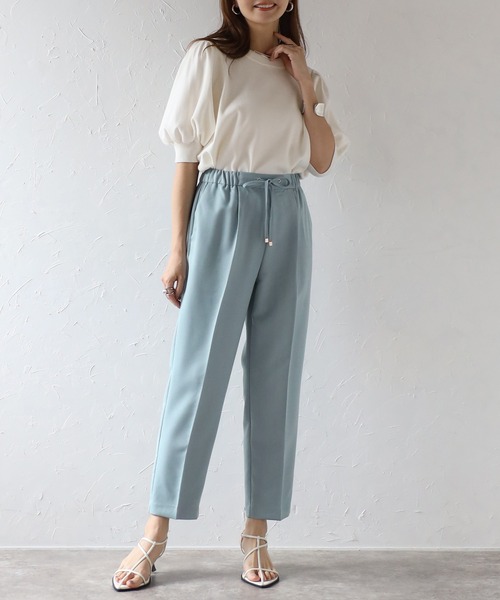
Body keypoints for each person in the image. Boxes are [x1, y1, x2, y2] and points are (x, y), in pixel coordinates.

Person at [111, 0, 349, 591]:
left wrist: (303, 83)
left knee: (277, 374)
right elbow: (186, 158)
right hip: (222, 208)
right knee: (197, 375)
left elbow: (321, 159)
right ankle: (155, 532)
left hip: (288, 211)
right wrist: (178, 247)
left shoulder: (305, 75)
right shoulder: (210, 59)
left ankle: (256, 532)